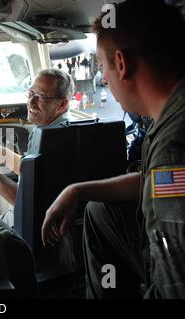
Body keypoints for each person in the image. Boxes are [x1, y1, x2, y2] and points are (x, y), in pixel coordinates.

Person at [41, 0, 185, 298]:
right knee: (99, 211)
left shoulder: (173, 147)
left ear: (122, 63)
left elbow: (176, 285)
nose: (104, 79)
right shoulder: (172, 115)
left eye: (102, 66)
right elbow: (157, 182)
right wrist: (77, 190)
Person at [0, 69, 74, 227]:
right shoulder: (58, 127)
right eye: (30, 94)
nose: (31, 103)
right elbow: (31, 169)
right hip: (37, 204)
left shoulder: (53, 139)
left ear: (62, 104)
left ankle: (2, 238)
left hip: (33, 217)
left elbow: (28, 203)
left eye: (40, 97)